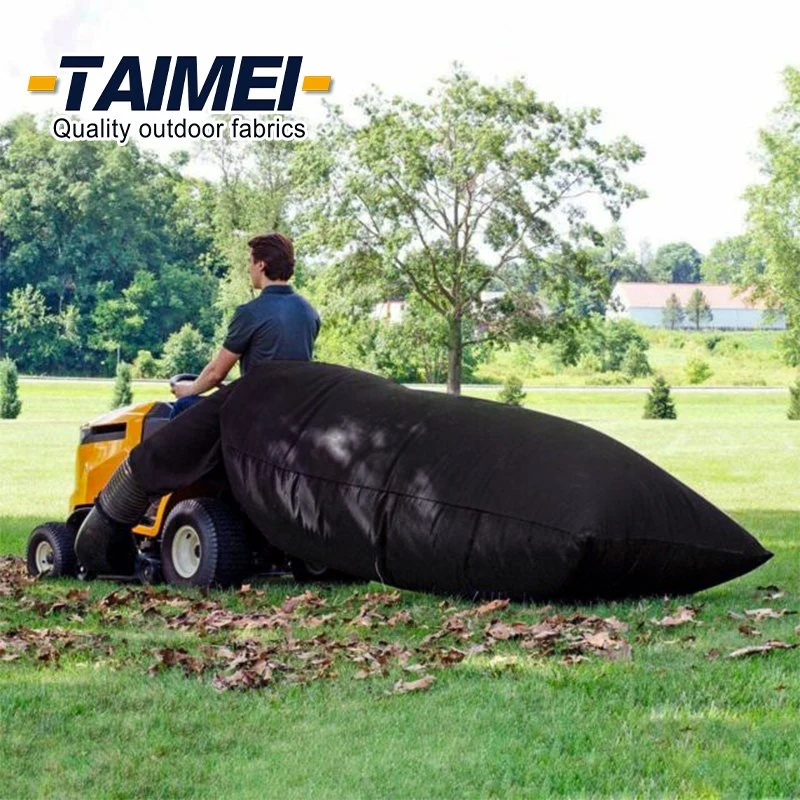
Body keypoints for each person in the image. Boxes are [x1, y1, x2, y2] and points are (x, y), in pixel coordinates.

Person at [169, 232, 320, 417]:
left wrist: (189, 389)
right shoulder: (309, 311)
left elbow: (216, 373)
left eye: (250, 262)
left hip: (254, 411)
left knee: (182, 407)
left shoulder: (251, 312)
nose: (249, 269)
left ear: (261, 264)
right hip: (292, 410)